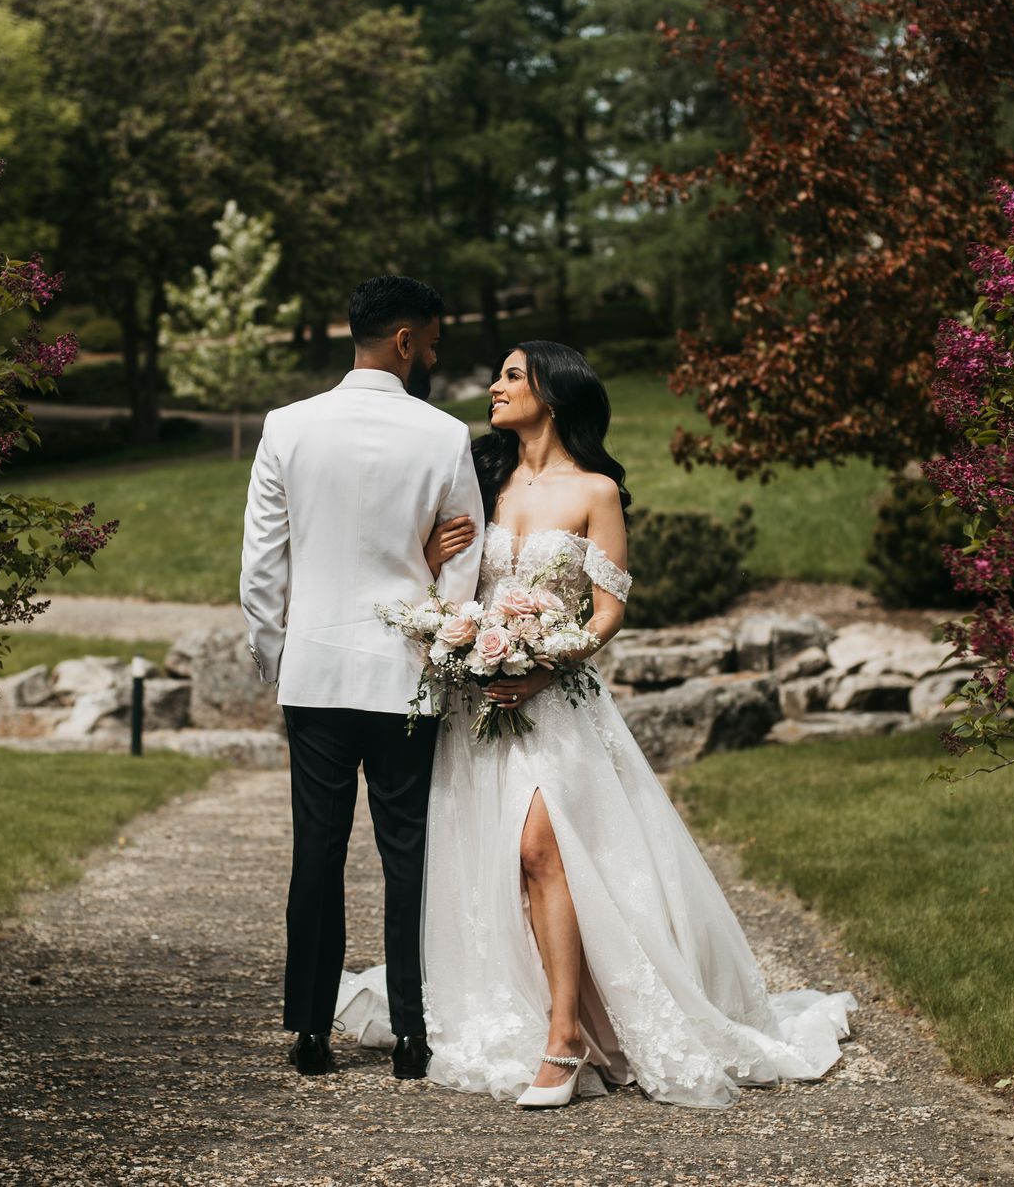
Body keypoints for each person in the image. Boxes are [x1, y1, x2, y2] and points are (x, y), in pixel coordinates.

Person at [337, 340, 856, 1109]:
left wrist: (546, 661)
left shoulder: (596, 491)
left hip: (554, 702)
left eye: (512, 375)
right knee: (504, 860)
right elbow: (440, 585)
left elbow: (609, 608)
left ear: (554, 392)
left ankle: (564, 1038)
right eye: (499, 374)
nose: (494, 386)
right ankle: (547, 1007)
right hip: (477, 702)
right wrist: (436, 571)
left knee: (542, 848)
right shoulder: (482, 481)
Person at [240, 275, 485, 1081]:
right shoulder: (444, 435)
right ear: (408, 340)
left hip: (313, 673)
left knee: (317, 850)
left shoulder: (287, 427)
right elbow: (464, 555)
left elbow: (262, 567)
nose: (436, 355)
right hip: (405, 675)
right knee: (407, 853)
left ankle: (310, 1031)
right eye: (435, 341)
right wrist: (444, 645)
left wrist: (277, 657)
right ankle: (413, 1036)